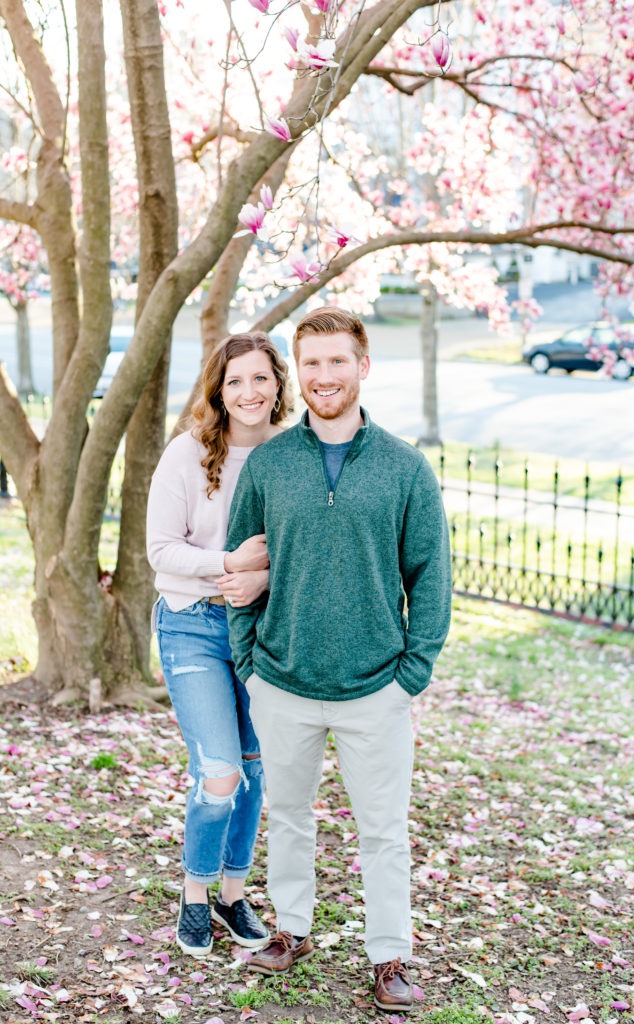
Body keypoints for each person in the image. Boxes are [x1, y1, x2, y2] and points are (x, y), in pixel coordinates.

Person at [224, 307, 452, 1011]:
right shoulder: (269, 464)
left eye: (338, 361)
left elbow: (432, 578)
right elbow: (241, 569)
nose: (325, 376)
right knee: (289, 814)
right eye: (313, 363)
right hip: (282, 680)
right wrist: (248, 663)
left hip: (374, 689)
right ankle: (292, 929)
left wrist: (409, 676)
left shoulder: (404, 469)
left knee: (383, 830)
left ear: (363, 367)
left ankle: (390, 957)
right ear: (303, 371)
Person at [146, 331, 291, 958]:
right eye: (235, 381)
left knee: (256, 771)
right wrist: (228, 561)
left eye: (260, 378)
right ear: (219, 390)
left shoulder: (292, 456)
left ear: (279, 385)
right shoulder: (188, 452)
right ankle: (195, 894)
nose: (249, 391)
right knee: (221, 773)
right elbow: (160, 550)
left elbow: (301, 548)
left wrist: (259, 577)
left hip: (260, 628)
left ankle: (234, 895)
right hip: (191, 624)